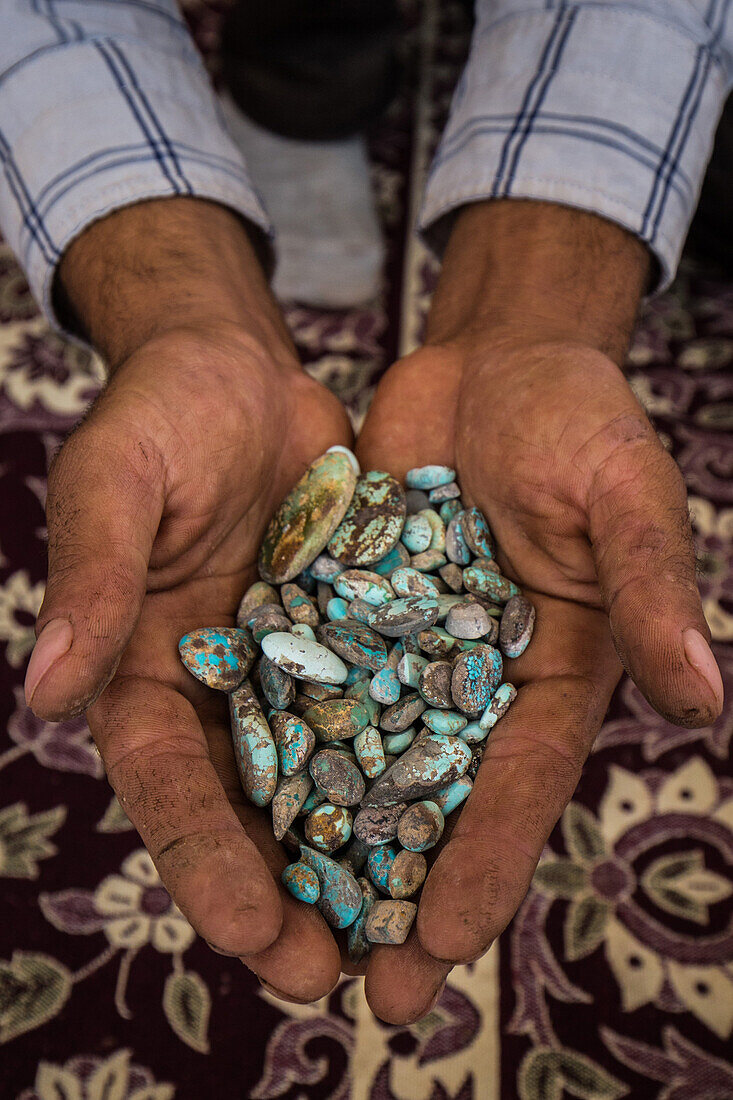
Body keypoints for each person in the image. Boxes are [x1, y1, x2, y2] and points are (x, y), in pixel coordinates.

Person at [4, 0, 728, 1025]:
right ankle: (297, 100)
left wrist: (542, 295)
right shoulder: (325, 649)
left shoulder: (391, 646)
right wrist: (173, 295)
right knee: (306, 41)